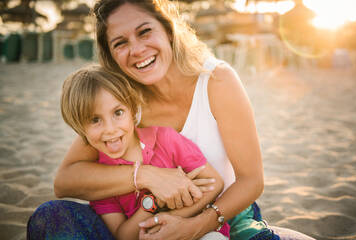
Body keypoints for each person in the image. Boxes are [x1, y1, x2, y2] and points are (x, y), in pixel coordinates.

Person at [27, 0, 315, 239]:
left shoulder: (216, 81)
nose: (137, 50)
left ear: (168, 30)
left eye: (144, 32)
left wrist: (192, 227)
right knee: (50, 216)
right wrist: (148, 176)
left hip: (220, 214)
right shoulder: (120, 105)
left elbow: (252, 181)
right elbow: (65, 181)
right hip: (139, 223)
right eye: (120, 43)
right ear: (111, 55)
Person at [59, 65, 229, 240]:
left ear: (132, 110)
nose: (110, 129)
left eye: (118, 113)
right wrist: (152, 203)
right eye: (95, 120)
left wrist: (172, 220)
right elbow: (124, 236)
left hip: (199, 233)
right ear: (79, 128)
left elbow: (214, 182)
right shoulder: (100, 179)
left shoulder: (166, 139)